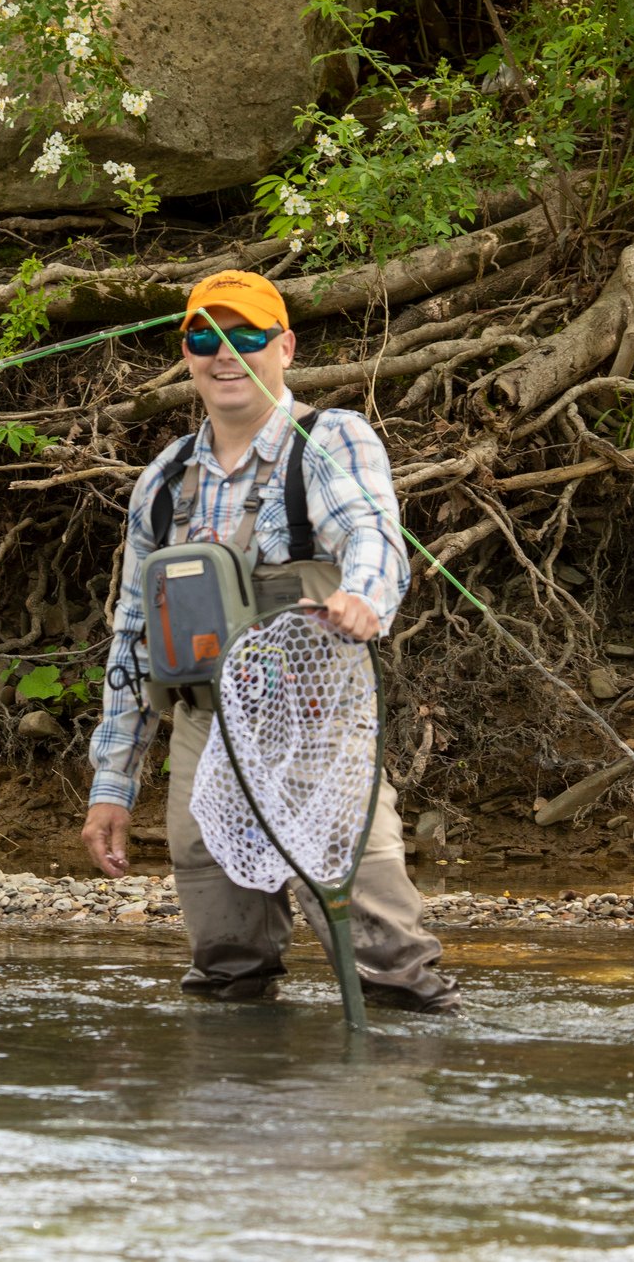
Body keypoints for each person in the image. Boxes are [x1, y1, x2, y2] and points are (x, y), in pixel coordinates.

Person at [79, 270, 459, 1014]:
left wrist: (364, 596)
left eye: (245, 336)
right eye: (203, 338)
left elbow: (373, 534)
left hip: (317, 717)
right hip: (202, 723)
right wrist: (111, 787)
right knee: (225, 961)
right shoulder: (160, 481)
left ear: (284, 347)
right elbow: (131, 635)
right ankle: (237, 1101)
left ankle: (404, 1089)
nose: (225, 355)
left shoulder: (331, 439)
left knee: (382, 945)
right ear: (186, 356)